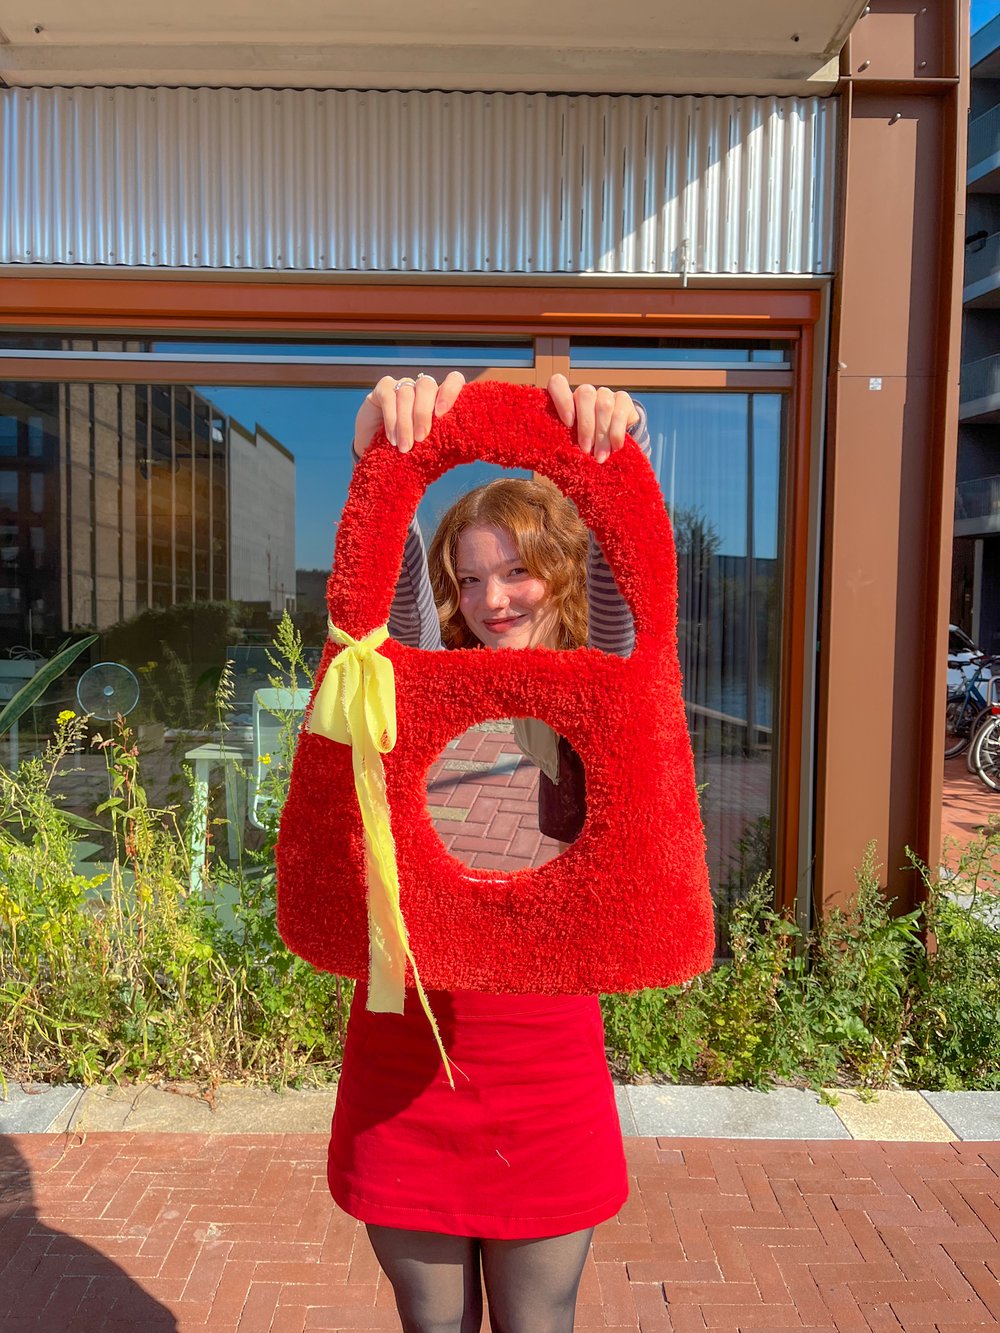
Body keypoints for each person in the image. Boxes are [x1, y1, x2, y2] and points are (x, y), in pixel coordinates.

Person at [327, 370, 649, 1333]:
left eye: (516, 571)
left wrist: (606, 450)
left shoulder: (598, 694)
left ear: (558, 568)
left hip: (545, 1064)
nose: (491, 599)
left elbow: (627, 603)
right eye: (468, 577)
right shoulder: (418, 690)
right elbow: (389, 622)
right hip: (408, 1050)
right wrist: (378, 460)